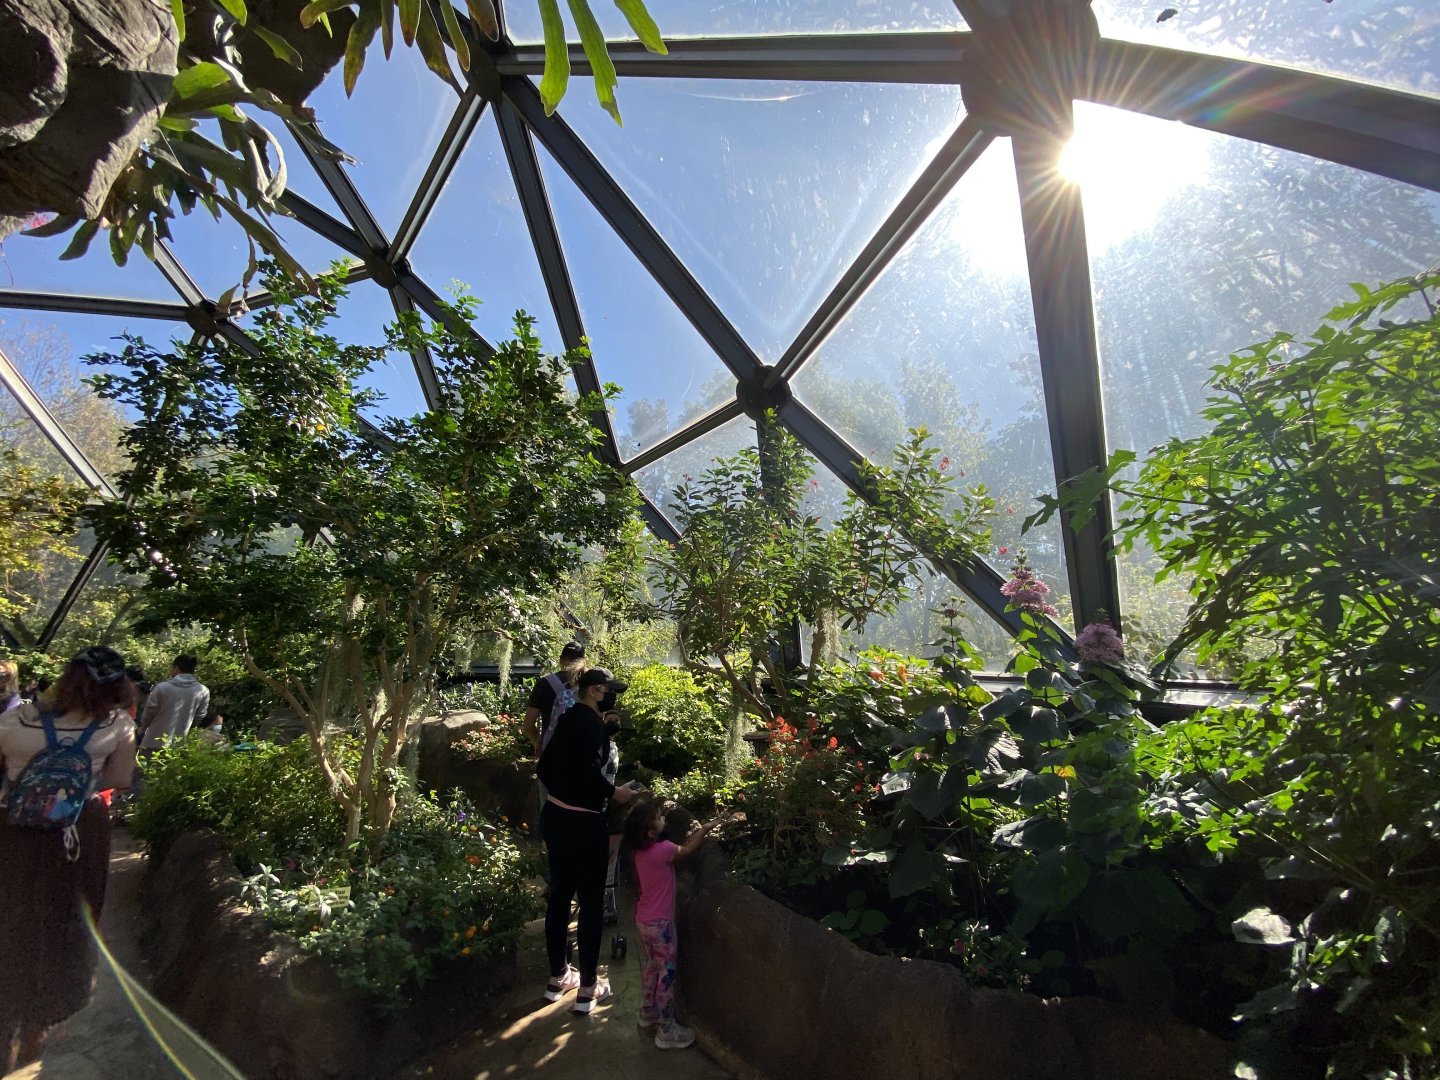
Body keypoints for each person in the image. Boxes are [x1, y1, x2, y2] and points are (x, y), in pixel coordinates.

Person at [0, 646, 137, 1072]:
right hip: (79, 832)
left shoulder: (13, 721)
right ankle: (46, 1017)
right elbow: (118, 779)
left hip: (13, 830)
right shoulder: (117, 726)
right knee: (69, 915)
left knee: (11, 911)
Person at [536, 667, 639, 1013]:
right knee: (592, 903)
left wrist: (564, 794)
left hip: (555, 816)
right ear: (596, 691)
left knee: (560, 896)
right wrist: (616, 793)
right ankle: (589, 989)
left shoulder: (567, 718)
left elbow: (545, 768)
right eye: (610, 691)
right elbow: (590, 774)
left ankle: (557, 978)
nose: (613, 697)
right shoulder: (592, 726)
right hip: (585, 823)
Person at [624, 803, 728, 1050]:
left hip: (643, 920)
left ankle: (647, 1014)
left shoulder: (640, 852)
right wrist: (704, 829)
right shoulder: (664, 850)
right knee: (667, 974)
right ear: (650, 832)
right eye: (658, 817)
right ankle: (666, 1029)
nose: (662, 818)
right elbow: (689, 849)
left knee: (652, 967)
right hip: (661, 924)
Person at [523, 640, 586, 758]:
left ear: (561, 659)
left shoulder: (545, 683)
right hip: (583, 750)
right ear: (583, 661)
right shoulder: (591, 683)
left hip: (552, 751)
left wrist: (538, 740)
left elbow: (528, 725)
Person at [139, 654, 209, 753]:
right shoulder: (203, 691)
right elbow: (199, 716)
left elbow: (149, 711)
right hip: (179, 744)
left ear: (176, 668)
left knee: (149, 767)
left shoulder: (162, 687)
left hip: (153, 741)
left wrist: (143, 727)